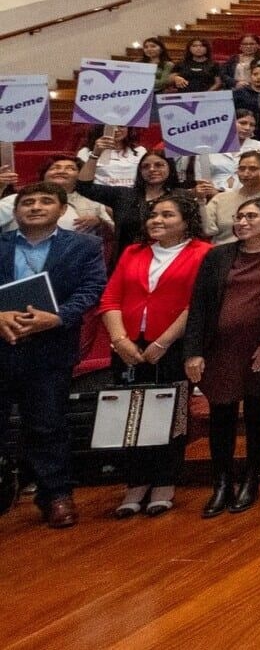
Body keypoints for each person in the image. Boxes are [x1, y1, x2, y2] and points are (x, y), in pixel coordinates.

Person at [0, 183, 108, 529]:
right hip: (2, 344)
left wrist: (59, 317)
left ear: (62, 210)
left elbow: (92, 289)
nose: (34, 207)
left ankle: (56, 495)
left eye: (45, 201)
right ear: (15, 212)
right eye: (26, 202)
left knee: (48, 425)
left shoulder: (85, 246)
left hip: (50, 349)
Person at [99, 195, 213, 517]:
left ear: (186, 220)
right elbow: (110, 298)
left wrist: (163, 342)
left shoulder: (203, 253)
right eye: (153, 214)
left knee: (170, 415)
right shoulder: (133, 252)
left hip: (174, 345)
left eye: (167, 214)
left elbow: (198, 304)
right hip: (129, 348)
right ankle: (135, 483)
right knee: (130, 415)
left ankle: (165, 480)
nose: (156, 220)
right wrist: (120, 339)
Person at [181, 197, 260, 518]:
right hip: (220, 350)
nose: (241, 222)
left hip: (259, 350)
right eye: (239, 217)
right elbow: (199, 305)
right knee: (222, 416)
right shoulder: (218, 256)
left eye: (250, 217)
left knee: (257, 414)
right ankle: (222, 482)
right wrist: (193, 351)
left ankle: (252, 478)